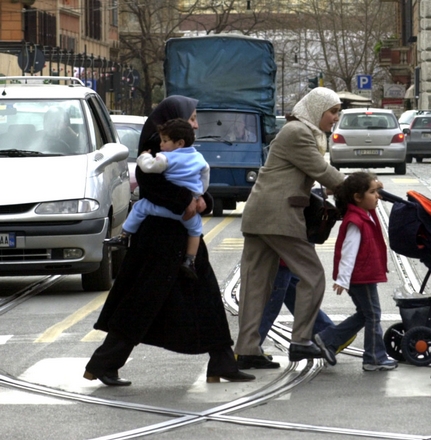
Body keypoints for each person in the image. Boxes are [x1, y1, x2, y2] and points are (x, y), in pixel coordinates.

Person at [83, 95, 254, 386]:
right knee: (143, 301)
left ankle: (222, 361)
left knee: (206, 296)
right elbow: (152, 185)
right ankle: (103, 363)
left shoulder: (176, 144)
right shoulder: (158, 145)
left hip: (177, 233)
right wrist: (187, 200)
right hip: (160, 238)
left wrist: (203, 200)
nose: (196, 125)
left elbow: (195, 183)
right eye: (192, 118)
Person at [235, 87, 344, 369]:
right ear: (317, 109)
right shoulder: (298, 133)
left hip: (261, 214)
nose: (336, 117)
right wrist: (360, 187)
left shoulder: (296, 131)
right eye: (332, 111)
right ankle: (302, 341)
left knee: (256, 284)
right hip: (278, 216)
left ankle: (247, 349)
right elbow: (321, 170)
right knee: (313, 275)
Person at [104, 118, 210, 279]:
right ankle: (190, 260)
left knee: (140, 207)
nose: (161, 145)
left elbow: (149, 167)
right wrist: (198, 195)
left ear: (179, 143)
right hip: (187, 213)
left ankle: (124, 236)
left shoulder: (166, 158)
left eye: (165, 141)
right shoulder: (199, 158)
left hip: (162, 211)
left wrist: (144, 157)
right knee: (195, 230)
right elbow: (204, 177)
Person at [313, 172, 397, 371]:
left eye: (377, 191)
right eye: (373, 192)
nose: (378, 196)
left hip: (363, 274)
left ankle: (327, 339)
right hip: (360, 277)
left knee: (365, 314)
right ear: (358, 197)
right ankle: (374, 358)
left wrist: (375, 185)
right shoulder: (356, 221)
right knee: (373, 314)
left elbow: (372, 190)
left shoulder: (365, 212)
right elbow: (348, 252)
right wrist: (343, 279)